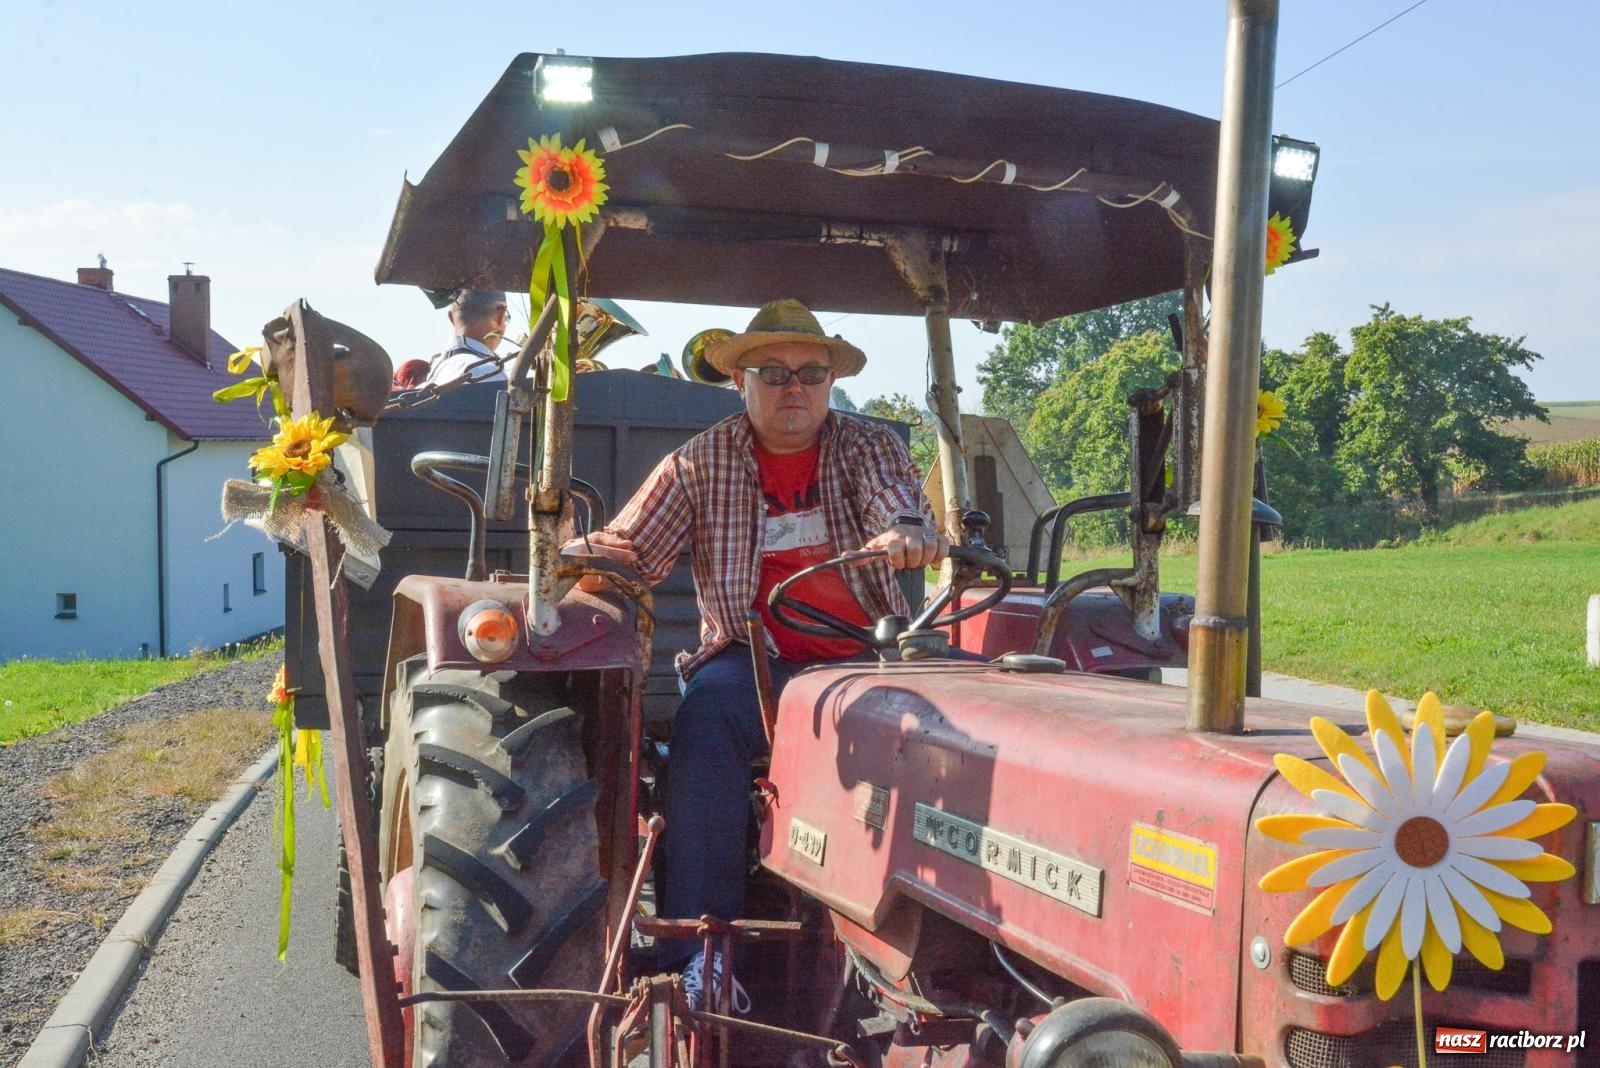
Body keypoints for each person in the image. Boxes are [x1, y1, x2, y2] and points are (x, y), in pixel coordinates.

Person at [566, 299, 947, 1010]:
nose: (792, 386)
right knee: (707, 722)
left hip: (861, 658)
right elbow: (632, 548)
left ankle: (930, 942)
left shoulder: (867, 447)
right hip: (751, 663)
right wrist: (573, 554)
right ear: (741, 379)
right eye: (772, 372)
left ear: (830, 381)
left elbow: (896, 502)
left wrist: (905, 531)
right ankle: (701, 956)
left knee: (949, 729)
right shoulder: (702, 460)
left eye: (809, 372)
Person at [393, 288, 511, 390]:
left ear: (451, 318)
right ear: (500, 315)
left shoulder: (429, 380)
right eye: (507, 318)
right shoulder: (490, 374)